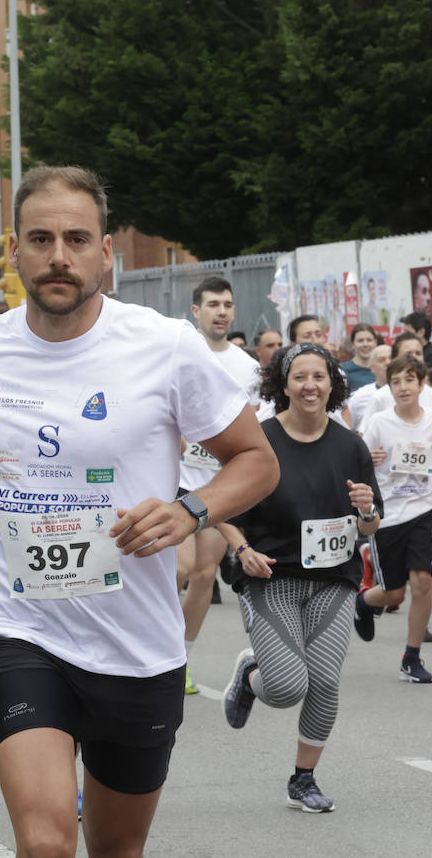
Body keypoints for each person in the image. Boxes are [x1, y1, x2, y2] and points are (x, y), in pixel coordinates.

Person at [0, 165, 277, 857]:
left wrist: (190, 511)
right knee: (47, 842)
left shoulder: (165, 347)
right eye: (40, 238)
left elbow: (257, 460)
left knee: (116, 847)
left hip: (136, 643)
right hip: (18, 628)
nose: (58, 255)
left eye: (77, 238)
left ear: (106, 252)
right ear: (12, 250)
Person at [218, 343, 381, 814]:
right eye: (300, 377)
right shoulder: (260, 441)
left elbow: (370, 527)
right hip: (273, 577)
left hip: (335, 580)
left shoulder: (350, 444)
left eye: (319, 377)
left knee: (324, 679)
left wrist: (367, 510)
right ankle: (251, 676)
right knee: (289, 687)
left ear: (333, 384)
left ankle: (303, 779)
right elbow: (223, 509)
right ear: (282, 385)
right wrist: (242, 549)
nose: (310, 386)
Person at [177, 276, 264, 696]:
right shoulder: (178, 352)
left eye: (227, 304)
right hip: (172, 478)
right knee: (176, 568)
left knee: (204, 572)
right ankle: (154, 648)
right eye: (213, 304)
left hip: (216, 484)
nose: (222, 311)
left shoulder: (246, 367)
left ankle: (182, 659)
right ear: (196, 311)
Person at [352, 354, 432, 682]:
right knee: (394, 593)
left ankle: (412, 657)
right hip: (388, 514)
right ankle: (364, 603)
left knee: (423, 581)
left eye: (409, 380)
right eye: (395, 381)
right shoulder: (379, 422)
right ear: (389, 386)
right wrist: (370, 458)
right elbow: (356, 461)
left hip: (424, 509)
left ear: (421, 384)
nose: (402, 387)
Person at [363, 332, 432, 425]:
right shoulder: (379, 398)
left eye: (418, 353)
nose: (414, 357)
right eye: (409, 353)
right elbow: (364, 433)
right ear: (395, 358)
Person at [348, 344, 392, 433]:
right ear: (372, 368)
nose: (388, 362)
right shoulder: (359, 396)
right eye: (381, 360)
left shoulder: (407, 393)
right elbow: (347, 427)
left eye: (391, 358)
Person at [339, 324, 380, 390]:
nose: (365, 344)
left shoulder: (383, 368)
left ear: (375, 342)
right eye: (360, 341)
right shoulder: (342, 370)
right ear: (352, 344)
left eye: (369, 340)